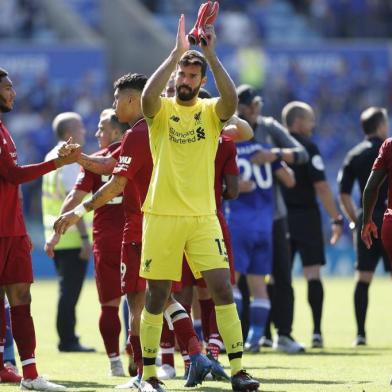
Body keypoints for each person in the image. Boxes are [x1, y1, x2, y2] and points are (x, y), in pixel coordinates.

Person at [53, 72, 230, 390]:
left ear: (133, 100)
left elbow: (115, 184)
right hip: (178, 222)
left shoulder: (139, 132)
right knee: (166, 299)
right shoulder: (164, 125)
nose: (113, 105)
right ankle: (194, 354)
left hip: (141, 228)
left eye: (117, 99)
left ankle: (142, 374)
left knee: (140, 305)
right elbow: (111, 167)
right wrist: (79, 157)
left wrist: (74, 213)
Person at [140, 15, 258, 392]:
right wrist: (175, 53)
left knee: (222, 290)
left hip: (203, 217)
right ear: (176, 77)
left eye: (193, 76)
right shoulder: (160, 110)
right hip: (161, 216)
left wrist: (212, 54)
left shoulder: (210, 114)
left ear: (201, 82)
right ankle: (148, 376)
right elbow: (144, 100)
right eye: (183, 74)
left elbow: (231, 100)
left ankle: (239, 371)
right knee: (157, 296)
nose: (186, 80)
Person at [0, 67, 78, 390]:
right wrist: (56, 163)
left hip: (12, 232)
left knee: (21, 297)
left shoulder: (5, 131)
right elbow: (14, 175)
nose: (13, 93)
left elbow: (11, 186)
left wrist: (20, 229)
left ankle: (30, 375)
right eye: (7, 88)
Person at [45, 109, 129, 374]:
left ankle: (115, 361)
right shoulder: (137, 153)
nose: (95, 133)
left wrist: (60, 227)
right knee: (142, 302)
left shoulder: (94, 161)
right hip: (134, 235)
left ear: (115, 131)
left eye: (101, 128)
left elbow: (73, 198)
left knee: (109, 304)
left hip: (105, 240)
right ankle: (147, 360)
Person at [236, 84, 308, 353]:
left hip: (272, 216)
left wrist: (273, 154)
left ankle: (283, 334)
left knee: (280, 276)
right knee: (246, 282)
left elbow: (302, 154)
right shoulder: (230, 130)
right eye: (250, 105)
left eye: (256, 104)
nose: (255, 109)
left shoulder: (267, 128)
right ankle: (248, 335)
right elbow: (289, 177)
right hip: (246, 217)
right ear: (239, 107)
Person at [281, 101, 343, 348]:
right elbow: (322, 186)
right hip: (306, 217)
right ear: (298, 122)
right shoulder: (308, 147)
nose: (313, 124)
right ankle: (316, 332)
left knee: (279, 277)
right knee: (312, 273)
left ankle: (273, 332)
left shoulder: (276, 146)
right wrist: (336, 218)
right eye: (310, 119)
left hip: (281, 218)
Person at [227, 136, 295, 353]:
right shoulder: (266, 150)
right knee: (259, 286)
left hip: (238, 225)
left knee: (232, 283)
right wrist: (275, 156)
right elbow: (290, 179)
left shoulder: (231, 149)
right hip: (265, 227)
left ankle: (233, 338)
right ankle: (254, 338)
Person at [42, 112, 95, 353]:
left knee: (67, 291)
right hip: (71, 236)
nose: (85, 131)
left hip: (58, 235)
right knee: (69, 292)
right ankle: (68, 340)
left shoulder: (51, 156)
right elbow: (74, 201)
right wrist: (85, 238)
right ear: (69, 134)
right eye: (80, 127)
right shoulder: (68, 160)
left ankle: (68, 337)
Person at [339, 107, 389, 346]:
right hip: (389, 217)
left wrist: (354, 219)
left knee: (363, 278)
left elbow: (344, 193)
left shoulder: (354, 155)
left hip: (367, 218)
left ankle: (360, 334)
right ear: (380, 125)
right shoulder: (387, 149)